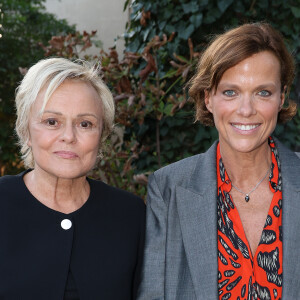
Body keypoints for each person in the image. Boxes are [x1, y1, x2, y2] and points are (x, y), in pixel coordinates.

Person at [137, 23, 300, 300]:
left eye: (263, 92)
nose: (246, 110)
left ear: (281, 97)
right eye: (230, 92)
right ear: (207, 98)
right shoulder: (168, 189)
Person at [0, 58, 145, 300]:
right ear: (25, 131)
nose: (69, 136)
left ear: (102, 135)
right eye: (52, 122)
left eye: (85, 124)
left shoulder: (131, 216)